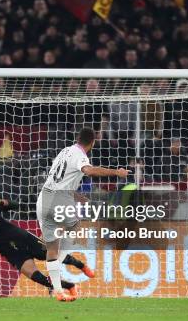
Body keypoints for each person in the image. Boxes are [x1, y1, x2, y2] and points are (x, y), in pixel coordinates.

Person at [0, 192, 94, 297]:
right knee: (36, 277)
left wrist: (1, 202)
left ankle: (80, 265)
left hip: (24, 239)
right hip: (13, 253)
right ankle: (69, 287)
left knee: (53, 256)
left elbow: (15, 206)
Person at [38, 128, 128, 302]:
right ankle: (59, 259)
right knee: (74, 228)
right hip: (59, 201)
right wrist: (117, 172)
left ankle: (58, 290)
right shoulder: (81, 156)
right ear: (92, 143)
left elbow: (58, 180)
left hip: (44, 198)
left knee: (52, 248)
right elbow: (89, 170)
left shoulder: (64, 151)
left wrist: (78, 197)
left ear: (77, 138)